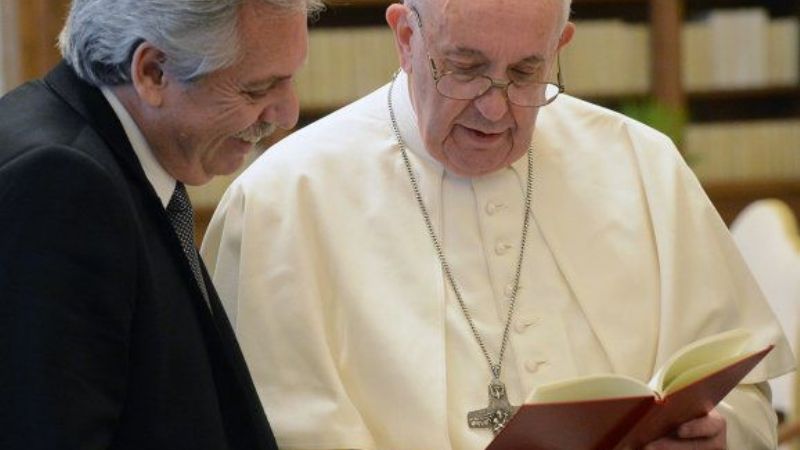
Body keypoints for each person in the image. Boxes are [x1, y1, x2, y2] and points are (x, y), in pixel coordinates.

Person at [201, 0, 795, 448]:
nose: (494, 106)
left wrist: (718, 437)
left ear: (560, 45)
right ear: (406, 38)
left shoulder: (643, 165)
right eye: (465, 67)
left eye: (525, 72)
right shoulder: (284, 200)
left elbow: (746, 400)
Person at [0, 0, 322, 448]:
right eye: (257, 89)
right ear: (152, 72)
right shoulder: (60, 184)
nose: (286, 114)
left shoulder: (111, 155)